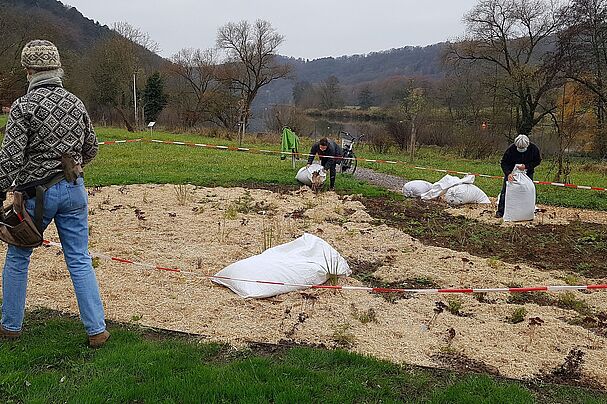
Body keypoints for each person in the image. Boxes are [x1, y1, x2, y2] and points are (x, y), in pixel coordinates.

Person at [0, 40, 109, 347]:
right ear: (58, 68)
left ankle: (10, 326)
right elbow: (91, 149)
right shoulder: (76, 103)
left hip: (36, 197)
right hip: (75, 190)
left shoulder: (24, 106)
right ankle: (96, 330)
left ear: (29, 70)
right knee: (79, 259)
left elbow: (10, 160)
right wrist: (71, 167)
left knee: (19, 256)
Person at [496, 134, 542, 218]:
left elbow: (537, 161)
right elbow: (504, 162)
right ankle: (501, 211)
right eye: (519, 148)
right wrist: (508, 173)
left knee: (527, 191)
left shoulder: (533, 149)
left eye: (523, 148)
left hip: (527, 173)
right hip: (512, 173)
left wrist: (526, 166)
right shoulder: (511, 149)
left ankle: (526, 212)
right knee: (505, 192)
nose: (521, 149)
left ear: (527, 145)